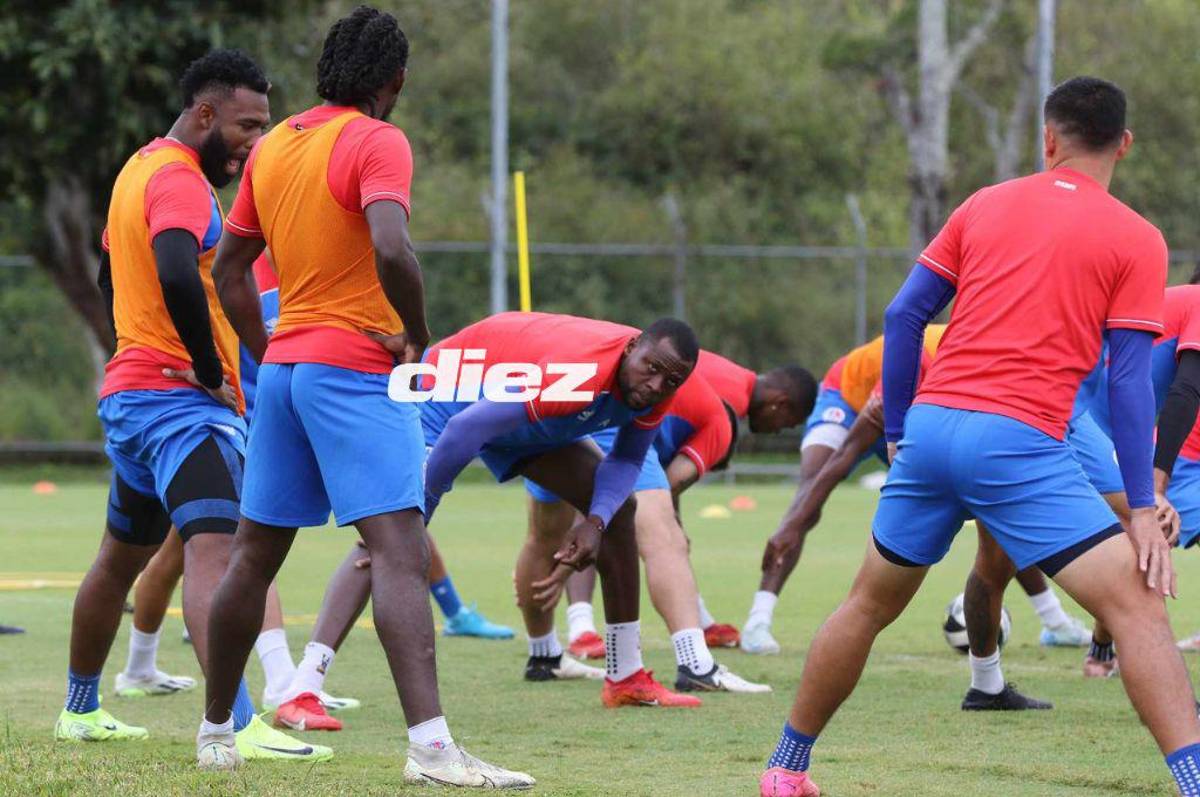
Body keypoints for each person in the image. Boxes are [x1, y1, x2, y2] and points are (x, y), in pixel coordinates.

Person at [759, 76, 1200, 797]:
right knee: (1137, 605)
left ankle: (785, 767)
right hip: (1018, 441)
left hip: (931, 430)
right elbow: (1125, 384)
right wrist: (1145, 505)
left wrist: (898, 430)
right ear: (1123, 144)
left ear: (1048, 139)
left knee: (866, 604)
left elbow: (903, 318)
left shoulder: (984, 204)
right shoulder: (1138, 239)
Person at [201, 8, 533, 786]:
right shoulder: (377, 138)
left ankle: (216, 732)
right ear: (396, 81)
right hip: (351, 367)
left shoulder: (275, 143)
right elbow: (392, 246)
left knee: (252, 556)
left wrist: (268, 352)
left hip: (284, 373)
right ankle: (431, 749)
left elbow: (228, 269)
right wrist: (416, 333)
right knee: (399, 549)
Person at [55, 49, 324, 763]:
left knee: (120, 557)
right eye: (246, 125)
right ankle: (235, 723)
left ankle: (80, 708)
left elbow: (116, 271)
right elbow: (175, 264)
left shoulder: (136, 168)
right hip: (178, 403)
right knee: (221, 553)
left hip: (133, 396)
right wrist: (207, 367)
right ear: (204, 113)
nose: (254, 141)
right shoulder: (177, 179)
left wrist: (133, 344)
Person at [417, 311, 705, 708]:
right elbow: (466, 428)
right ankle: (306, 682)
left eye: (670, 380)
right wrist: (422, 512)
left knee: (620, 513)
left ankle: (624, 676)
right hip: (443, 399)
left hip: (519, 418)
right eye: (651, 369)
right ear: (632, 348)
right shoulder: (578, 372)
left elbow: (625, 461)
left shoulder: (659, 384)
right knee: (392, 537)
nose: (656, 385)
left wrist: (595, 521)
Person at [743, 327, 1089, 656]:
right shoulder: (920, 358)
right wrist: (793, 523)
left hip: (922, 413)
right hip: (850, 398)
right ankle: (758, 620)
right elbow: (845, 455)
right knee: (813, 483)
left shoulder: (998, 368)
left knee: (996, 505)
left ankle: (1055, 622)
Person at [525, 352, 812, 694]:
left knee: (544, 536)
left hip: (561, 405)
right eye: (788, 424)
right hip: (616, 425)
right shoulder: (724, 415)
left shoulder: (720, 374)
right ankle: (694, 665)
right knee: (664, 540)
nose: (781, 430)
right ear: (782, 403)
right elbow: (670, 485)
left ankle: (544, 654)